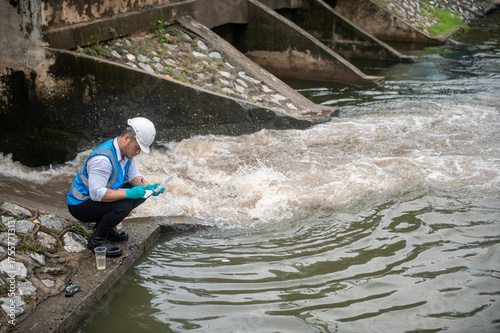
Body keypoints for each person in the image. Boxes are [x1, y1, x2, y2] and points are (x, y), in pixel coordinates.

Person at [67, 117, 165, 257]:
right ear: (126, 138)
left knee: (142, 193)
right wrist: (128, 194)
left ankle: (108, 229)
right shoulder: (102, 160)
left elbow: (133, 176)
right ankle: (97, 240)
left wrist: (150, 187)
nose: (138, 152)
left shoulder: (127, 152)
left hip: (93, 200)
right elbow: (96, 193)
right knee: (124, 203)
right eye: (138, 147)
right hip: (80, 205)